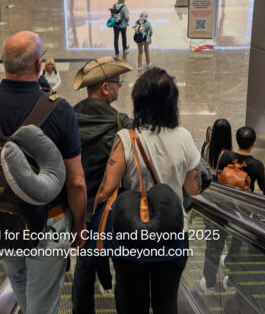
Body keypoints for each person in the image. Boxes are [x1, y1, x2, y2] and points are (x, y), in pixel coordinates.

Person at [0, 31, 87, 314]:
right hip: (48, 223)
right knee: (43, 305)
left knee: (21, 285)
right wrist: (79, 225)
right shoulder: (59, 110)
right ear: (39, 65)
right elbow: (76, 181)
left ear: (4, 64)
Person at [95, 68, 201, 314]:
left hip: (132, 233)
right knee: (166, 302)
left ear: (138, 101)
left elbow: (106, 189)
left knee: (132, 303)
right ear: (172, 102)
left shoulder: (125, 137)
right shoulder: (184, 137)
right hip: (172, 235)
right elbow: (193, 189)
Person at [71, 56, 133, 314]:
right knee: (122, 264)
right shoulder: (121, 123)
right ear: (105, 87)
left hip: (78, 207)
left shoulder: (69, 117)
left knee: (83, 267)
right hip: (111, 207)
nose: (120, 87)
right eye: (117, 83)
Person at [199, 119, 233, 293]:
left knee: (211, 242)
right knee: (222, 241)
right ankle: (215, 280)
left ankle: (208, 279)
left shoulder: (206, 147)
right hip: (223, 205)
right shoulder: (227, 155)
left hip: (208, 200)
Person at [217, 126, 265, 194]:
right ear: (254, 143)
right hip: (244, 199)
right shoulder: (257, 165)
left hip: (226, 195)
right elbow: (263, 187)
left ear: (237, 140)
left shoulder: (226, 155)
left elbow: (219, 174)